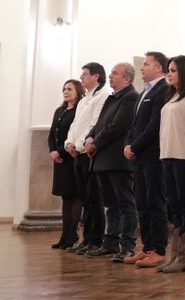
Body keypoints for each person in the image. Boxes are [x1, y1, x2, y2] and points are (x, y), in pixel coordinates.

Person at [84, 63, 140, 261]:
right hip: (103, 158)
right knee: (111, 205)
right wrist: (89, 138)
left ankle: (128, 245)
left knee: (125, 204)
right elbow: (100, 124)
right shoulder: (112, 97)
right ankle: (110, 243)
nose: (110, 76)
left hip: (118, 159)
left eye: (115, 74)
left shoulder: (131, 97)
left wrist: (95, 143)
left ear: (126, 79)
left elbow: (118, 126)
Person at [123, 52, 169, 268]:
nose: (142, 68)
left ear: (159, 68)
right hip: (139, 155)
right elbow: (134, 125)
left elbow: (154, 125)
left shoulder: (163, 89)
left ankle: (159, 250)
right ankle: (148, 247)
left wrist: (135, 145)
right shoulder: (145, 92)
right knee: (142, 202)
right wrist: (128, 145)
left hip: (153, 155)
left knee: (155, 201)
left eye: (147, 64)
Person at [158, 55, 185, 273]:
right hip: (168, 155)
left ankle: (184, 256)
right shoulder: (171, 97)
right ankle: (174, 255)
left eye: (174, 70)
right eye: (169, 69)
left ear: (184, 72)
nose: (169, 73)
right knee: (174, 204)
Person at [64, 62, 110, 254]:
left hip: (89, 153)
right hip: (77, 153)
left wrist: (80, 145)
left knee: (94, 198)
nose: (81, 78)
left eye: (84, 75)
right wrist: (69, 143)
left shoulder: (103, 95)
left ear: (96, 76)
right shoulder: (84, 100)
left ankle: (96, 239)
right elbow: (75, 125)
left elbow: (95, 123)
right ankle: (86, 239)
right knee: (84, 198)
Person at [49, 79, 85, 249]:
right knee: (65, 198)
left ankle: (72, 236)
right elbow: (51, 135)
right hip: (60, 161)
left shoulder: (79, 110)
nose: (66, 91)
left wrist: (60, 152)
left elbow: (74, 135)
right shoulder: (59, 110)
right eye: (64, 89)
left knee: (75, 197)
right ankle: (64, 236)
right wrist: (53, 152)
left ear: (78, 90)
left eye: (70, 89)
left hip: (72, 158)